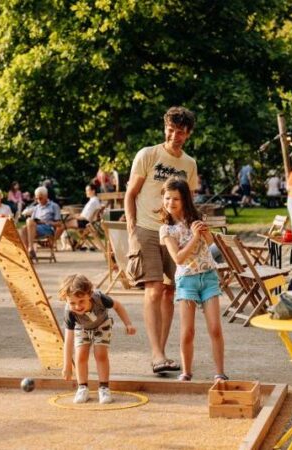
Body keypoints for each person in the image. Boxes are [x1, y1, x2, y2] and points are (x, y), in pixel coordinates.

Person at [125, 106, 198, 375]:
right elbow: (130, 193)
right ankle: (156, 354)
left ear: (188, 134)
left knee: (169, 291)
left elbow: (189, 201)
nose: (174, 135)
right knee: (154, 289)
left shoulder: (189, 164)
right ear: (165, 128)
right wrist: (132, 228)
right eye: (170, 130)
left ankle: (162, 354)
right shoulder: (148, 154)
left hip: (174, 232)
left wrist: (191, 232)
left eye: (180, 132)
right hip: (146, 228)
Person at [158, 178, 226, 382]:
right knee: (188, 331)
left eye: (176, 199)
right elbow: (178, 258)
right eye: (167, 198)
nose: (170, 202)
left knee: (215, 328)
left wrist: (204, 231)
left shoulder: (197, 218)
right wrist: (195, 237)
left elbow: (210, 243)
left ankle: (220, 373)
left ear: (184, 200)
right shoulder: (166, 229)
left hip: (208, 277)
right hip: (186, 280)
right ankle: (186, 373)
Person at [59, 274, 136, 404]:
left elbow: (117, 306)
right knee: (80, 355)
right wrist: (67, 365)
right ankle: (82, 387)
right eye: (72, 303)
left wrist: (128, 324)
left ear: (89, 294)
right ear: (66, 301)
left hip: (102, 325)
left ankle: (104, 388)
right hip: (82, 328)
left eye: (81, 301)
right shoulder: (69, 312)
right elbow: (68, 340)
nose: (77, 306)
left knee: (100, 354)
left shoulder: (100, 298)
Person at [18, 186, 62, 260]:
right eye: (36, 198)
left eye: (40, 198)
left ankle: (30, 249)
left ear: (46, 196)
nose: (38, 200)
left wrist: (45, 222)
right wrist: (36, 221)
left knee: (28, 222)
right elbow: (32, 222)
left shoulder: (54, 206)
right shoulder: (36, 207)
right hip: (35, 228)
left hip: (47, 228)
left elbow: (59, 224)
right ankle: (29, 252)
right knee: (23, 229)